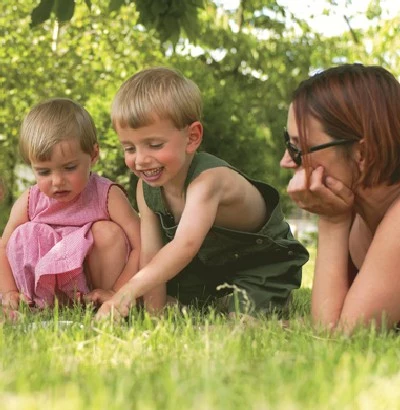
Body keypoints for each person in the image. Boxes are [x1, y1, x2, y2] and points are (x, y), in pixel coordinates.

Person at [95, 66, 309, 320]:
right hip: (207, 267)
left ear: (192, 137)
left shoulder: (208, 180)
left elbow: (185, 246)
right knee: (163, 302)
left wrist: (127, 291)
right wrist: (155, 316)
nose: (140, 160)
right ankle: (217, 299)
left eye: (154, 145)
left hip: (260, 263)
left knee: (242, 324)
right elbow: (151, 255)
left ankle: (261, 300)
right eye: (129, 148)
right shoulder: (147, 188)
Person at [280, 63, 400, 332]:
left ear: (363, 154)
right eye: (288, 144)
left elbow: (338, 333)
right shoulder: (360, 215)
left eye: (299, 148)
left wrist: (332, 222)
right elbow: (332, 313)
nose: (286, 161)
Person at [0, 98, 141, 311]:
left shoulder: (106, 195)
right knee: (24, 234)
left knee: (106, 232)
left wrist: (119, 292)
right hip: (45, 293)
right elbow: (3, 246)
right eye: (44, 171)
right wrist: (10, 291)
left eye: (69, 168)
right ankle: (35, 304)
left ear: (93, 155)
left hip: (97, 286)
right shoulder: (30, 200)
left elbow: (142, 244)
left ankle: (102, 304)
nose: (57, 181)